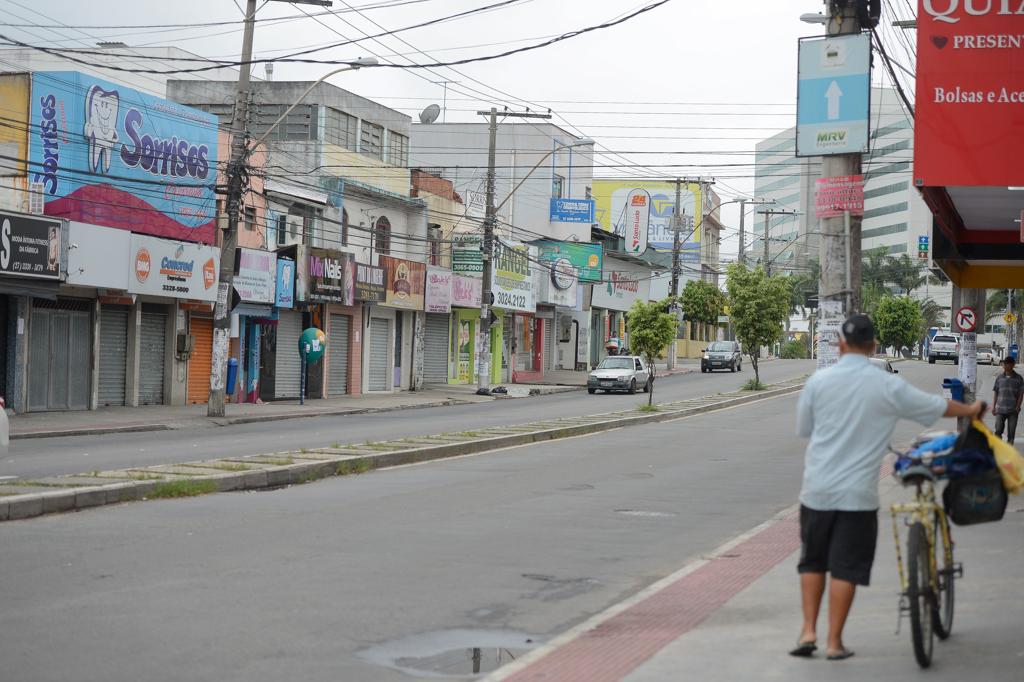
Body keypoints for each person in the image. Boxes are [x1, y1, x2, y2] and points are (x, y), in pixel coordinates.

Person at [791, 314, 983, 661]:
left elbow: (805, 428)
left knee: (813, 561)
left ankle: (808, 632)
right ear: (874, 346)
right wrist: (971, 408)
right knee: (846, 566)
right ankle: (834, 643)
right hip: (857, 497)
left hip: (816, 490)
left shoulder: (818, 381)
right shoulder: (886, 385)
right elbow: (938, 407)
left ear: (841, 345)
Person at [992, 356, 1024, 444]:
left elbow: (1021, 394)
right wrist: (993, 407)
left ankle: (1009, 454)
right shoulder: (999, 378)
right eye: (1004, 364)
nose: (1005, 366)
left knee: (1011, 434)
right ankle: (998, 449)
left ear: (1013, 365)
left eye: (1007, 364)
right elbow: (996, 392)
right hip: (1000, 409)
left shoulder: (1019, 378)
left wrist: (1018, 407)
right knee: (998, 430)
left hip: (1013, 410)